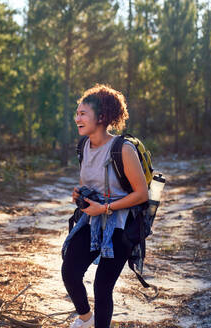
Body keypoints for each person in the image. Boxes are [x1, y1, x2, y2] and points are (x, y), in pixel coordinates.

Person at [61, 84, 148, 328]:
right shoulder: (83, 146)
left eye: (82, 113)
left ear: (101, 117)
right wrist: (78, 193)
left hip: (121, 225)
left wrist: (106, 208)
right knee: (69, 271)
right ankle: (86, 319)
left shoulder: (123, 149)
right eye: (76, 113)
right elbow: (88, 183)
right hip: (92, 219)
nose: (77, 118)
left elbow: (141, 194)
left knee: (102, 286)